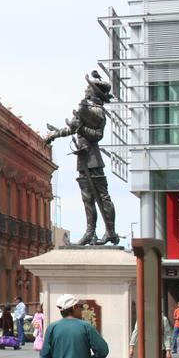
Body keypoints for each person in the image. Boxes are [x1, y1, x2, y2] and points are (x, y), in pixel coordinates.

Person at [44, 72, 118, 245]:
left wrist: (80, 129)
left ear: (95, 93)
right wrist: (54, 134)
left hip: (93, 160)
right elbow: (72, 128)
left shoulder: (98, 112)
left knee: (102, 196)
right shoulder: (86, 109)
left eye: (88, 88)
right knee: (87, 199)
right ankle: (90, 233)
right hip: (83, 159)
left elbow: (96, 136)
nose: (85, 90)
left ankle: (110, 232)